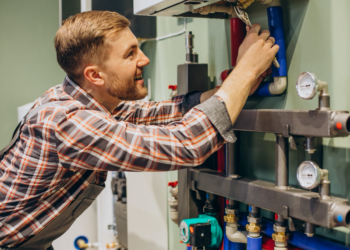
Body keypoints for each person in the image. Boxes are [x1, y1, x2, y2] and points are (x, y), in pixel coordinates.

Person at [0, 10, 278, 250]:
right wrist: (245, 72)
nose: (144, 59)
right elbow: (186, 145)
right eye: (130, 54)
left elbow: (151, 114)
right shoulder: (68, 122)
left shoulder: (82, 100)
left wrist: (231, 89)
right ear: (95, 75)